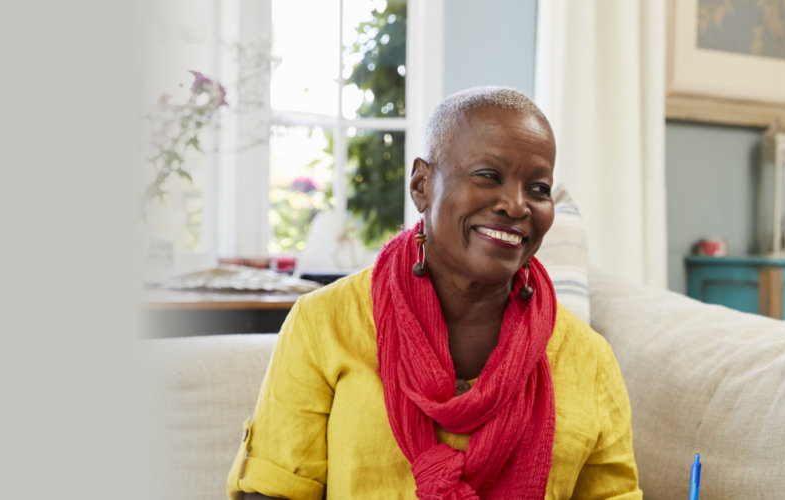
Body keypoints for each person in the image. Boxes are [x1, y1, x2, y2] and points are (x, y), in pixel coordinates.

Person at [227, 86, 641, 500]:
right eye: (488, 176)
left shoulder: (590, 360)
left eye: (538, 188)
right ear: (422, 184)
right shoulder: (325, 324)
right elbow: (270, 492)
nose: (517, 205)